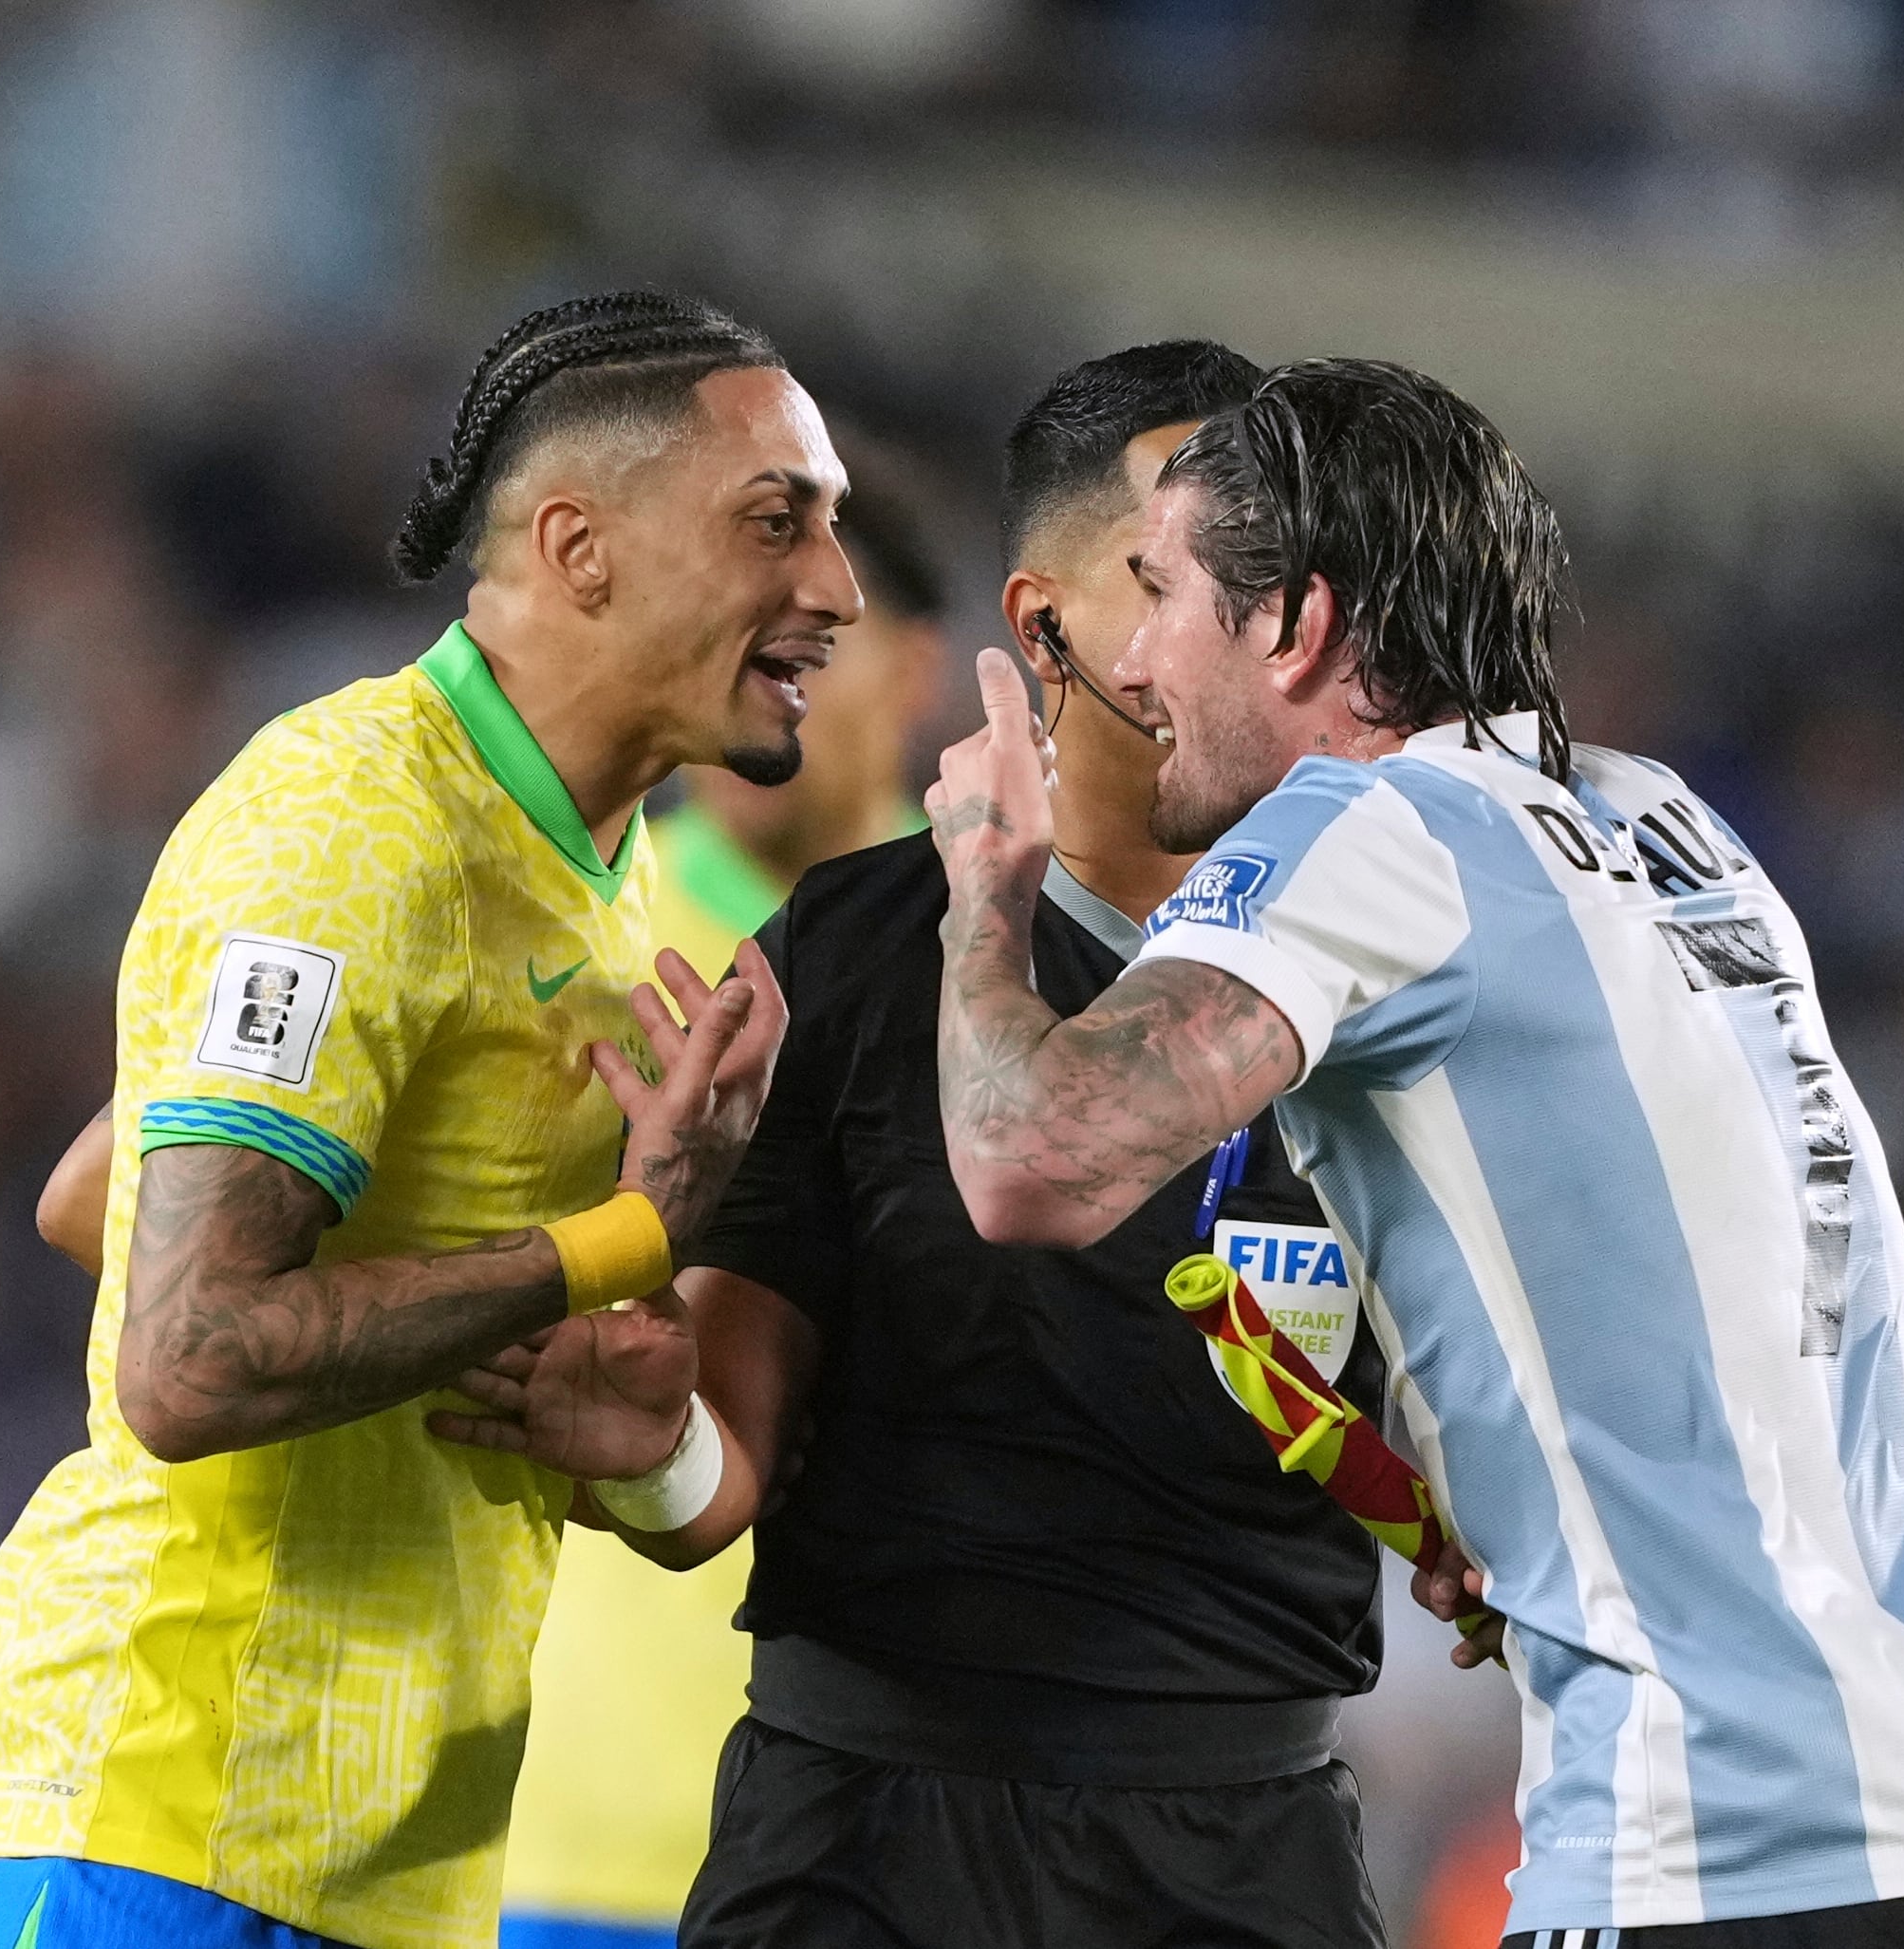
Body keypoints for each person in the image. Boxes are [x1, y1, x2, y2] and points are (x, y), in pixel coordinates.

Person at [922, 356, 1904, 1946]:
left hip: (1720, 1837)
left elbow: (1031, 1158)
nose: (1132, 662)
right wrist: (1514, 1508)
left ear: (1296, 623)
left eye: (1165, 592)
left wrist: (987, 890)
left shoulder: (1361, 829)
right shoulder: (1673, 826)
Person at [443, 340, 1469, 1949]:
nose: (1258, 618)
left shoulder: (1402, 957)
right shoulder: (849, 952)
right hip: (862, 1842)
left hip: (1237, 1852)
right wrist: (649, 1448)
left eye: (1284, 572)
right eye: (1184, 567)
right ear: (1044, 625)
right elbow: (719, 1466)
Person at [0, 291, 849, 1949]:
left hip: (383, 1861)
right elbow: (188, 1354)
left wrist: (629, 1422)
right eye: (777, 522)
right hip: (162, 1813)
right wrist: (618, 1241)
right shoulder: (352, 823)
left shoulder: (602, 869)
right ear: (580, 546)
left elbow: (95, 1196)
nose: (833, 588)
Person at [495, 439, 946, 1949]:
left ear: (915, 665)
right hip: (571, 1819)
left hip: (897, 1824)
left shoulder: (1002, 963)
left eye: (811, 634)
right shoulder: (575, 923)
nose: (768, 664)